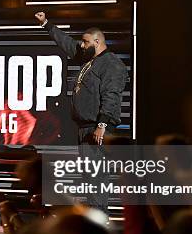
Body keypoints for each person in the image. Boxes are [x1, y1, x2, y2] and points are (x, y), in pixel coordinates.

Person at [34, 11, 128, 210]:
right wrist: (47, 25)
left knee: (96, 176)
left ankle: (99, 221)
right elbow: (68, 44)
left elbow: (112, 95)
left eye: (85, 42)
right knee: (90, 176)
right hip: (86, 128)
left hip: (97, 128)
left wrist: (101, 125)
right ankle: (96, 217)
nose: (82, 46)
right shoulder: (89, 59)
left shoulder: (110, 63)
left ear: (97, 41)